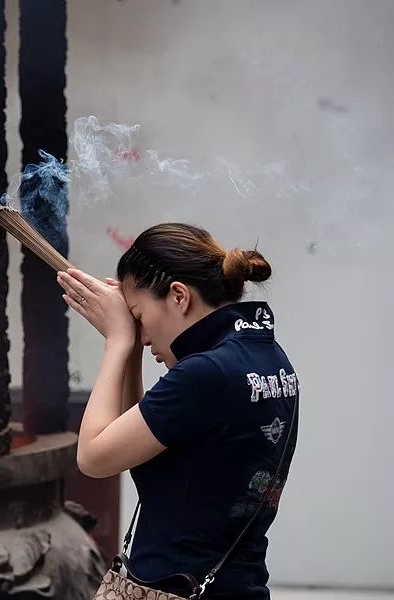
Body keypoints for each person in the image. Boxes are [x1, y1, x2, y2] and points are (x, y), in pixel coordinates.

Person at [56, 222, 299, 599]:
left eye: (139, 318)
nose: (143, 336)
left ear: (179, 297)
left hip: (177, 587)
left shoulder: (206, 374)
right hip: (237, 585)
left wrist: (118, 343)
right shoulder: (269, 358)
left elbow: (94, 457)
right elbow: (136, 443)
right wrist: (131, 346)